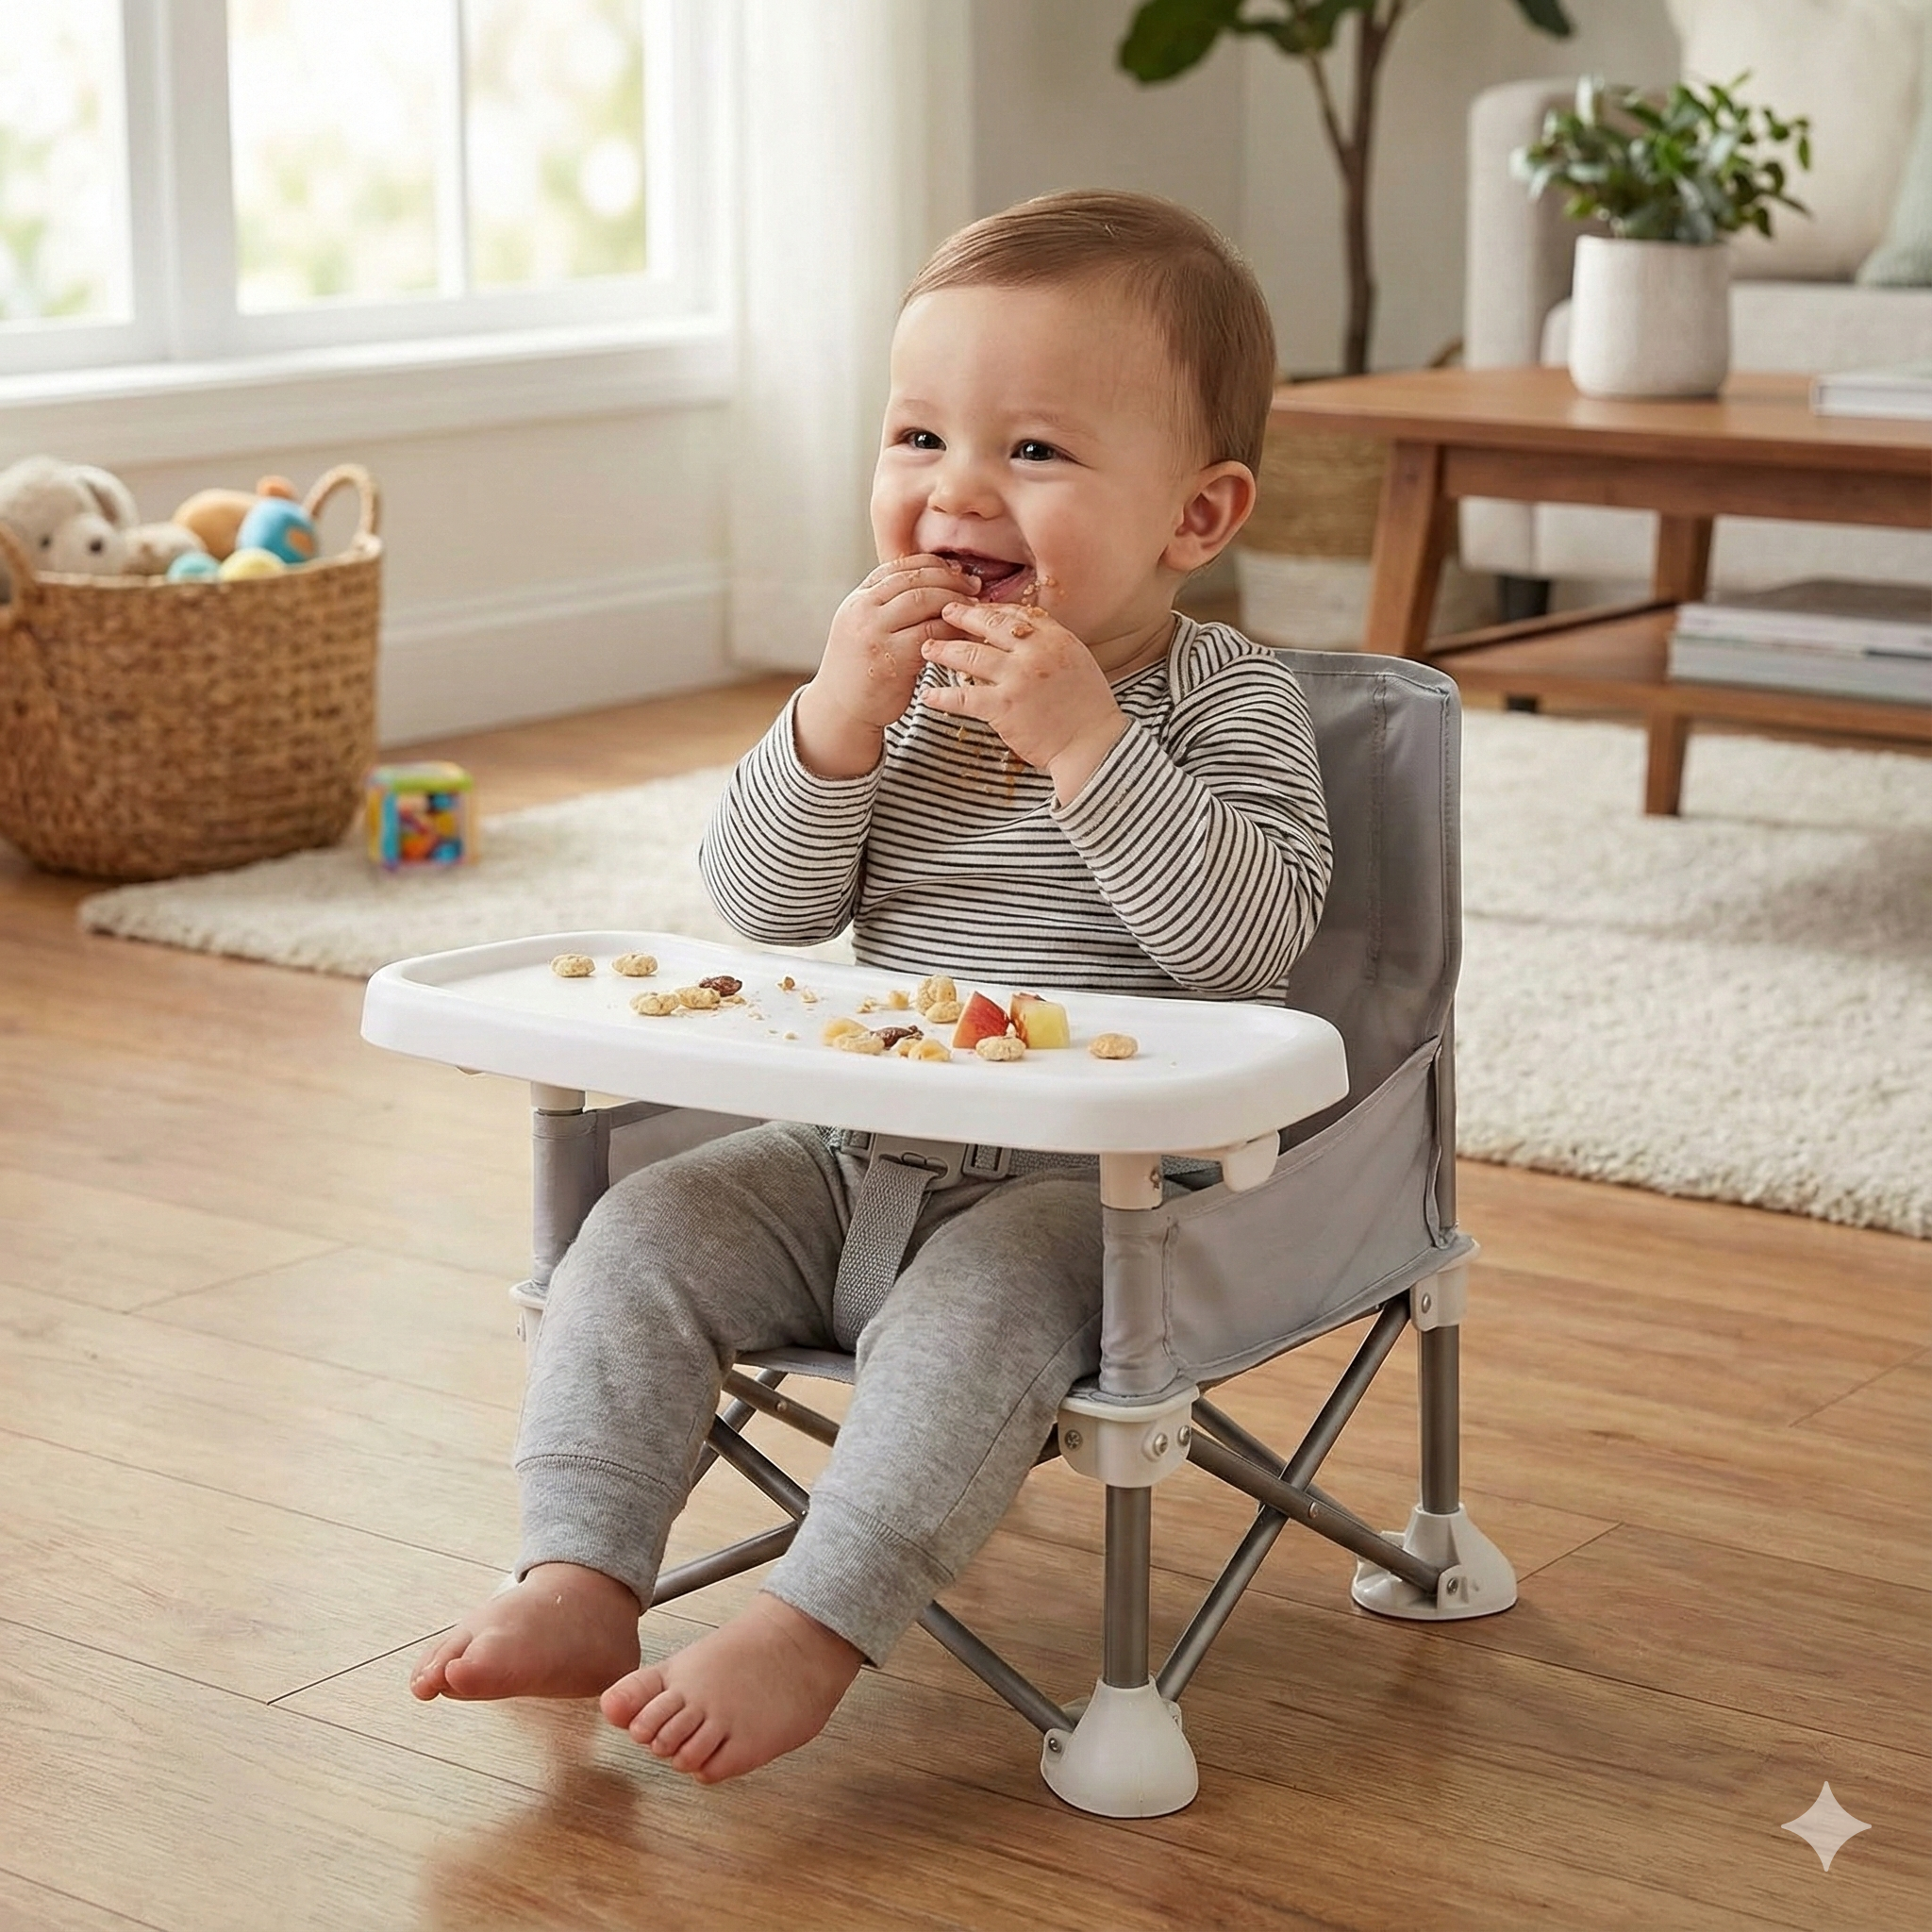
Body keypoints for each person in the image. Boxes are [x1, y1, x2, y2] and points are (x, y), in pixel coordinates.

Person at [410, 189, 1333, 1784]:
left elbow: (1246, 943)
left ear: (1197, 518)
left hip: (1094, 1196)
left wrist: (1085, 750)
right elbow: (765, 908)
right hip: (853, 1153)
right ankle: (579, 1566)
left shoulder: (1222, 697)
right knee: (640, 1235)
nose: (956, 489)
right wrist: (835, 719)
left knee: (972, 1322)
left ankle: (818, 1619)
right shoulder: (890, 688)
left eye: (1033, 452)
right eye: (918, 438)